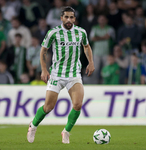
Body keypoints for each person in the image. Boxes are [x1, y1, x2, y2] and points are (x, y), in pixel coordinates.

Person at [27, 6, 95, 144]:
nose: (69, 20)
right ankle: (33, 126)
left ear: (74, 19)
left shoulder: (81, 32)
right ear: (61, 18)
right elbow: (43, 50)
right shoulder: (53, 32)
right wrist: (44, 70)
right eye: (66, 17)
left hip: (74, 73)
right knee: (48, 107)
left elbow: (86, 46)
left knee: (77, 104)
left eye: (71, 17)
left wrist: (91, 62)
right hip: (56, 74)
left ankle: (66, 131)